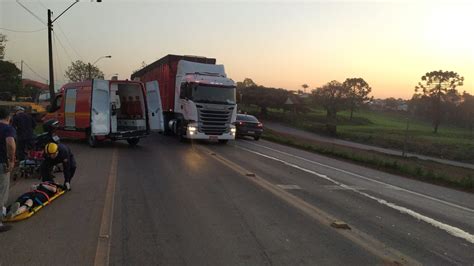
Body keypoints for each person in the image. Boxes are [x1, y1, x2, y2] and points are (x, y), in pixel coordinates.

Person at [0, 107, 16, 232]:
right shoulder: (8, 128)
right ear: (8, 117)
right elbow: (10, 143)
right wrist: (11, 160)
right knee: (1, 192)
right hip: (1, 165)